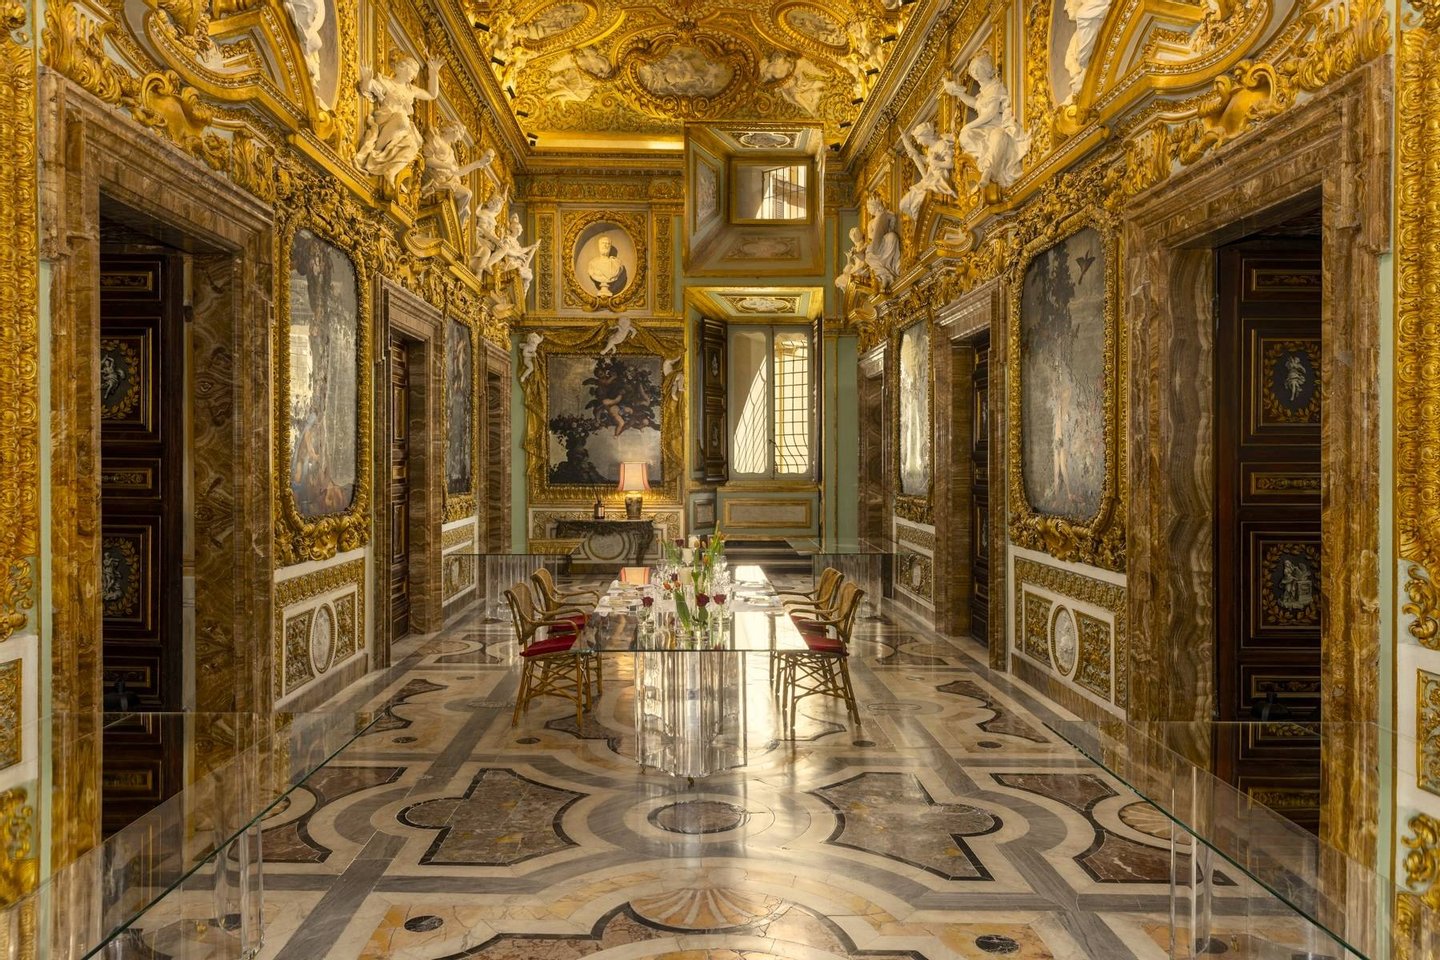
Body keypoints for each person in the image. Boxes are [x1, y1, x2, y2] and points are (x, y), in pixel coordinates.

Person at [355, 54, 442, 185]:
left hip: (401, 126)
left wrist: (433, 72)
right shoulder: (387, 83)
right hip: (385, 118)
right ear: (403, 67)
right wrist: (367, 79)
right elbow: (368, 87)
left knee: (412, 144)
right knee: (402, 119)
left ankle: (391, 171)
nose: (414, 76)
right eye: (413, 71)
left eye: (415, 73)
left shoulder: (411, 90)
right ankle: (376, 151)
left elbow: (432, 94)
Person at [898, 122, 957, 218]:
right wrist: (917, 155)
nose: (918, 142)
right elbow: (928, 161)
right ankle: (919, 220)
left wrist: (935, 162)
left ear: (925, 134)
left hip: (940, 179)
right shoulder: (930, 150)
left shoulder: (941, 144)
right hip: (930, 179)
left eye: (918, 138)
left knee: (916, 203)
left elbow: (950, 164)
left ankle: (921, 218)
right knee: (903, 204)